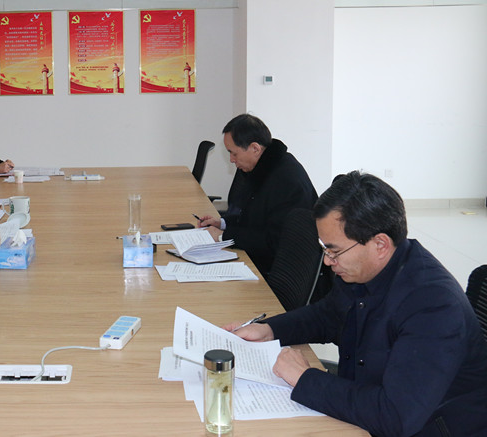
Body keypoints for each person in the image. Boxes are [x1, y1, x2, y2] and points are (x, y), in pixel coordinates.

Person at [228, 171, 487, 437]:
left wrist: (305, 378)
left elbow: (395, 417)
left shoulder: (433, 307)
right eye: (324, 248)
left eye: (335, 250)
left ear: (380, 244)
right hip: (364, 408)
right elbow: (328, 316)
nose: (327, 261)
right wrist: (268, 329)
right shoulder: (362, 269)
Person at [199, 114, 316, 277]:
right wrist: (222, 223)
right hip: (258, 259)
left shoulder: (286, 181)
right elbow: (252, 217)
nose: (231, 160)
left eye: (234, 153)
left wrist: (223, 236)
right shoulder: (261, 167)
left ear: (255, 148)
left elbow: (274, 242)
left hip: (277, 271)